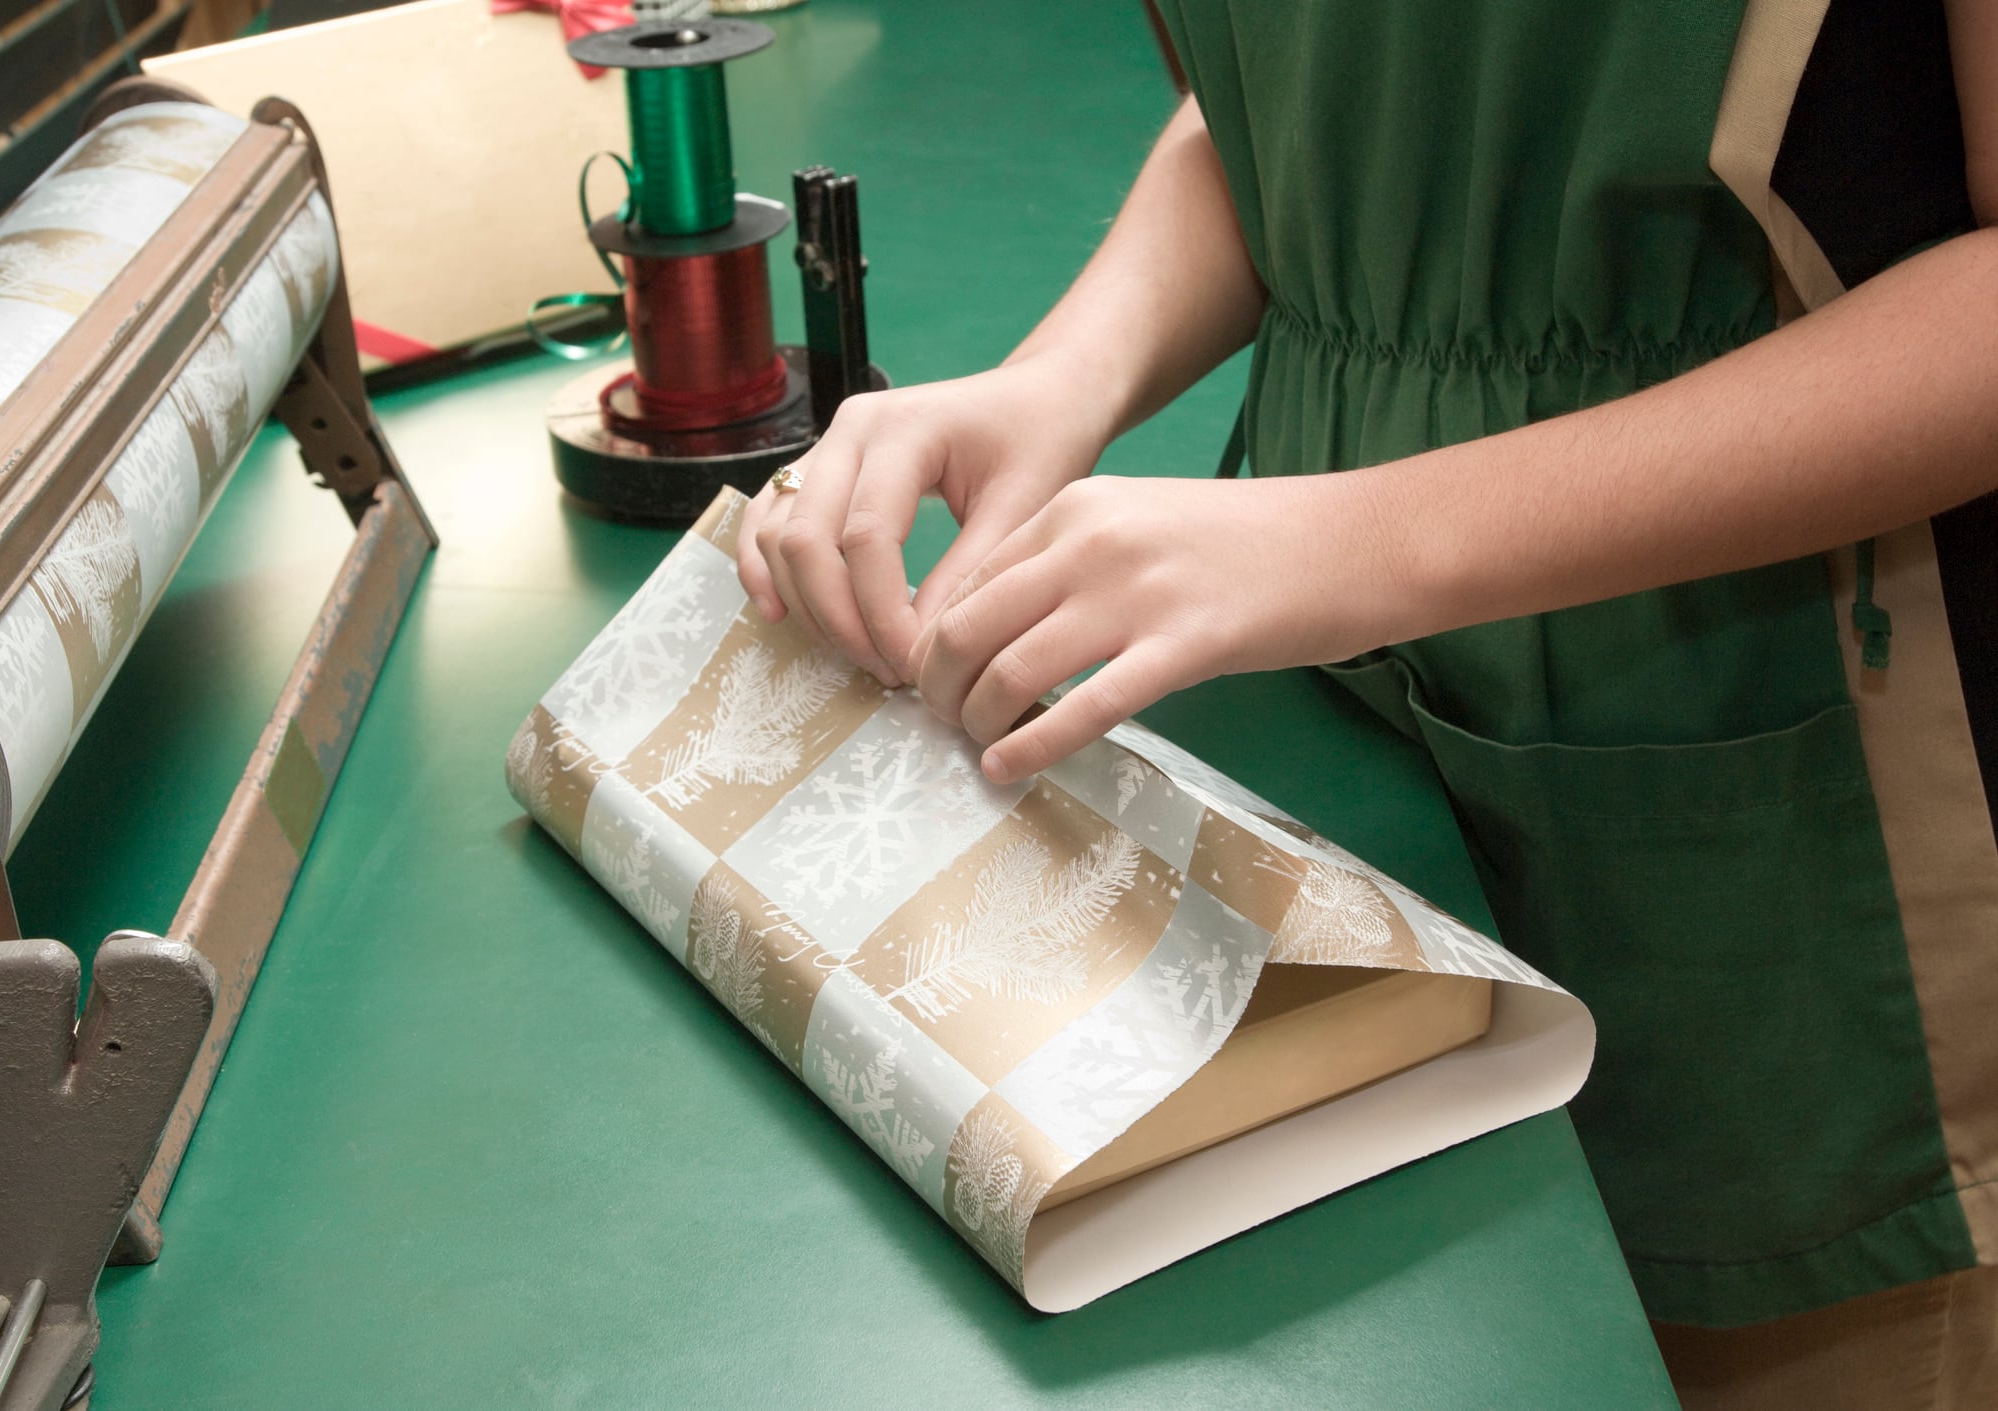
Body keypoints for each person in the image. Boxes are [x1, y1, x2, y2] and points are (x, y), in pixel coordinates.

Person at [736, 3, 1998, 1407]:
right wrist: (1060, 379)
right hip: (1333, 721)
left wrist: (1359, 544)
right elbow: (1309, 106)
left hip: (1795, 799)